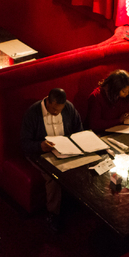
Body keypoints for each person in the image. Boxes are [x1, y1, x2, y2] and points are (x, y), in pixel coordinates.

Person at [21, 88, 83, 232]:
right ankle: (53, 213)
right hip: (39, 153)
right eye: (54, 109)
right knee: (53, 176)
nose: (56, 112)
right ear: (47, 101)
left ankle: (76, 204)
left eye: (59, 110)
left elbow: (78, 129)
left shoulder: (69, 108)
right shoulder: (33, 113)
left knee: (84, 165)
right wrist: (40, 146)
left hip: (65, 150)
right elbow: (24, 144)